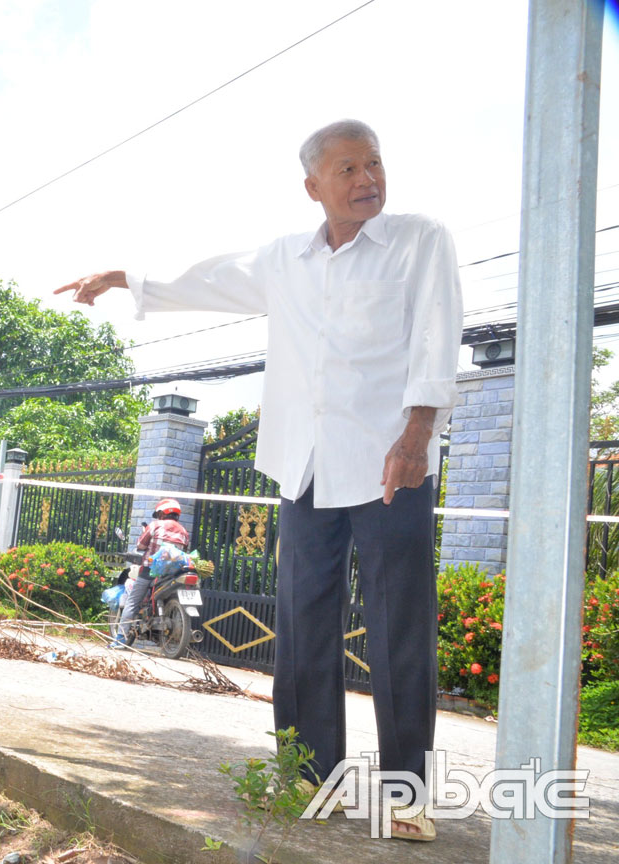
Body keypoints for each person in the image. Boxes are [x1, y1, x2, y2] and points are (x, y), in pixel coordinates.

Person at [55, 120, 461, 842]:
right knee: (304, 621)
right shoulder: (286, 259)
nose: (367, 178)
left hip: (389, 462)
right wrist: (124, 278)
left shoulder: (420, 241)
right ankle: (311, 775)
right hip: (303, 465)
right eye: (348, 169)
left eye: (374, 164)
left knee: (400, 624)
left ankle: (406, 795)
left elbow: (437, 333)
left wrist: (417, 434)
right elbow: (207, 277)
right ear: (314, 187)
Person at [113, 498, 190, 649]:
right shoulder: (184, 532)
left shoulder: (154, 526)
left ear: (162, 513)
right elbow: (183, 552)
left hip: (150, 572)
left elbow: (141, 545)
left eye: (158, 514)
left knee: (132, 602)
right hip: (173, 575)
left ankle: (120, 638)